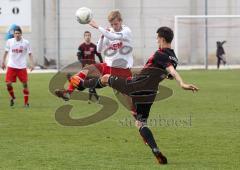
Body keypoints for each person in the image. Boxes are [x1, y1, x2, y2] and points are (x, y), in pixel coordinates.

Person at [95, 27, 199, 164]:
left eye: (157, 38)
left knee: (106, 78)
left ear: (162, 39)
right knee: (140, 123)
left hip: (137, 86)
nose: (157, 41)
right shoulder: (175, 58)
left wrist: (182, 83)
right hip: (150, 93)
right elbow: (167, 74)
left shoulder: (160, 54)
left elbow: (171, 72)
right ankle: (155, 149)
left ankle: (80, 83)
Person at [55, 10, 133, 107]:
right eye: (112, 24)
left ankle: (137, 115)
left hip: (122, 70)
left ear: (121, 21)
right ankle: (68, 93)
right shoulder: (109, 32)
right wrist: (102, 37)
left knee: (128, 98)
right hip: (107, 66)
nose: (114, 26)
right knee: (86, 70)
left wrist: (98, 27)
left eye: (116, 24)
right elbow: (99, 49)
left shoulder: (126, 31)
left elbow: (113, 37)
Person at [1, 26, 34, 107]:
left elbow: (30, 53)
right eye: (15, 33)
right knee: (8, 84)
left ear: (21, 34)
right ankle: (13, 97)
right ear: (14, 34)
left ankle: (26, 103)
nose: (17, 35)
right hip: (11, 66)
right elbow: (6, 52)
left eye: (18, 33)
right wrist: (3, 62)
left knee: (25, 84)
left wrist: (31, 64)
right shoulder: (9, 41)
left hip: (22, 67)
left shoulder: (26, 42)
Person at [77, 31, 103, 103]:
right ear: (84, 37)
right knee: (89, 83)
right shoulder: (81, 46)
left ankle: (93, 99)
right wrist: (83, 63)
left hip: (93, 68)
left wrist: (101, 63)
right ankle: (95, 99)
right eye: (86, 35)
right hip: (85, 68)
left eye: (89, 35)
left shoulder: (94, 46)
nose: (87, 37)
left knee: (90, 83)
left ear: (90, 36)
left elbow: (99, 55)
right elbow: (79, 57)